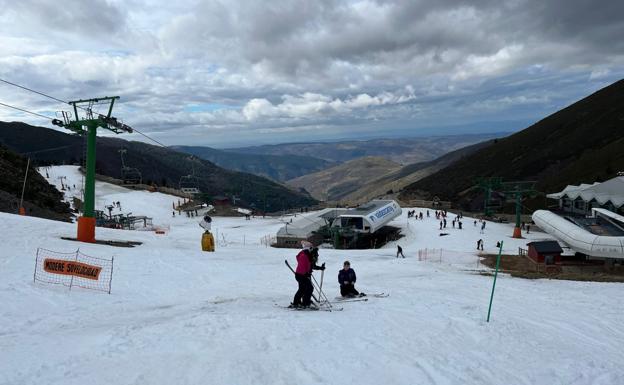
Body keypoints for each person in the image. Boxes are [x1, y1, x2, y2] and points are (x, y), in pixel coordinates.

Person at [292, 241, 325, 308]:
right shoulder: (304, 256)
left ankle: (297, 302)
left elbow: (311, 266)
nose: (311, 249)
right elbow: (302, 267)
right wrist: (306, 273)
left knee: (303, 289)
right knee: (309, 288)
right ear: (308, 248)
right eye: (311, 248)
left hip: (302, 275)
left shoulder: (307, 255)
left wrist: (320, 268)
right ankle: (305, 303)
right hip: (301, 275)